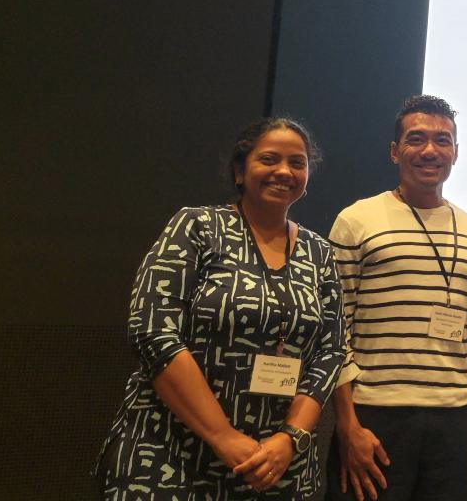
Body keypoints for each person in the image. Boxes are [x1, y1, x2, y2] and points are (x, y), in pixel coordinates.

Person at [96, 117, 346, 500]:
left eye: (297, 163)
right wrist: (223, 436)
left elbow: (330, 351)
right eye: (269, 159)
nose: (284, 171)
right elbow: (153, 330)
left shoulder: (319, 252)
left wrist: (291, 437)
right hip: (173, 454)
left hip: (278, 465)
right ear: (239, 171)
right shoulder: (197, 227)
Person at [326, 95, 467, 501]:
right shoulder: (356, 221)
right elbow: (335, 330)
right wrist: (347, 425)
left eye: (442, 140)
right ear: (394, 151)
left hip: (456, 423)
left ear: (456, 152)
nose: (429, 151)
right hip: (376, 419)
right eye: (416, 139)